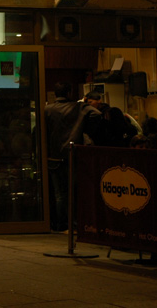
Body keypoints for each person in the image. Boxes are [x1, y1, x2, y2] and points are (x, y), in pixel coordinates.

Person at [44, 82, 102, 232]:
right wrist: (83, 128)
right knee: (73, 191)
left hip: (54, 156)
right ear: (69, 92)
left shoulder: (48, 109)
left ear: (55, 94)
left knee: (59, 194)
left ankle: (60, 224)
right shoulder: (79, 108)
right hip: (72, 154)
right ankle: (73, 223)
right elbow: (97, 114)